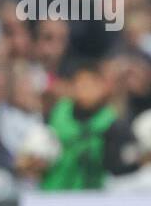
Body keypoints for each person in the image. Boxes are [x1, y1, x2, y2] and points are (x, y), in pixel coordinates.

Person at [40, 56, 120, 191]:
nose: (84, 89)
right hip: (53, 193)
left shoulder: (110, 121)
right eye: (80, 83)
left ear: (103, 87)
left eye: (90, 84)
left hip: (92, 195)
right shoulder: (58, 113)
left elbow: (115, 165)